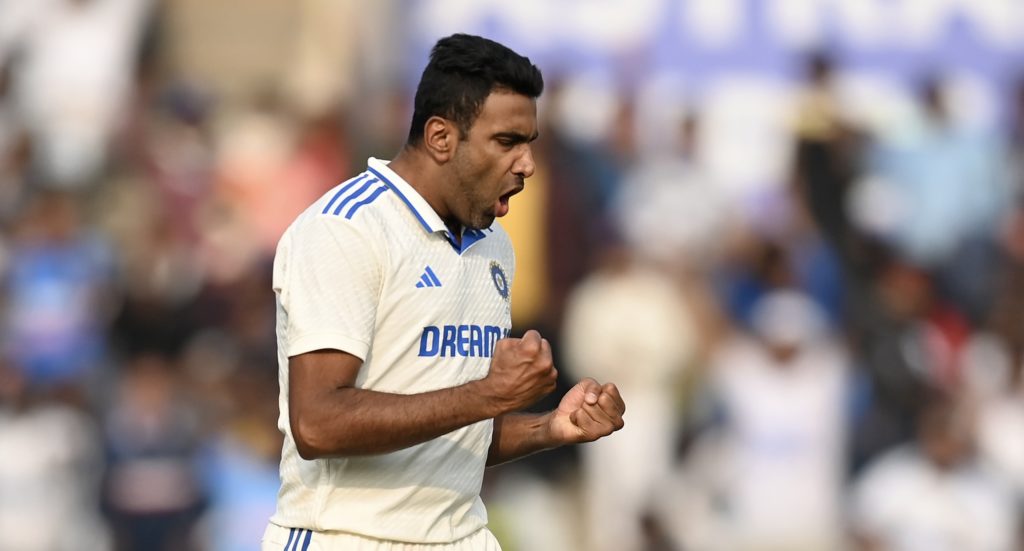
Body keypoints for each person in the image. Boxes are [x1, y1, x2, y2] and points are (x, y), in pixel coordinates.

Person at [262, 33, 626, 551]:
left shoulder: (493, 246)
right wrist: (488, 394)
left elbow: (454, 429)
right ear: (440, 138)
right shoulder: (346, 230)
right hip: (346, 537)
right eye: (507, 142)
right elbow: (317, 424)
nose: (527, 164)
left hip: (461, 537)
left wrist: (550, 426)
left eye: (530, 143)